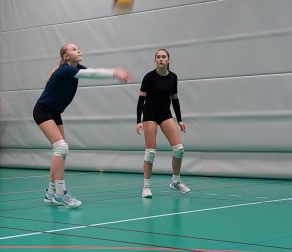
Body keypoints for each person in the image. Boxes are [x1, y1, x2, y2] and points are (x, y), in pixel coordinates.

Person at [34, 43, 130, 208]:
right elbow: (92, 73)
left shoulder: (75, 68)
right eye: (73, 49)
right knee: (61, 148)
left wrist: (113, 72)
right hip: (43, 111)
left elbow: (92, 70)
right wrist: (114, 72)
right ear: (66, 56)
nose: (78, 50)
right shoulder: (65, 69)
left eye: (78, 48)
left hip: (54, 112)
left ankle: (50, 192)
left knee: (60, 151)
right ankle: (60, 194)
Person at [136, 49, 189, 198]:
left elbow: (175, 99)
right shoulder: (149, 77)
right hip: (150, 114)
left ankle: (176, 182)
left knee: (179, 149)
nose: (161, 59)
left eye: (163, 57)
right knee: (150, 152)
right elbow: (141, 100)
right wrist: (138, 120)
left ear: (168, 60)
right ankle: (146, 186)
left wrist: (179, 119)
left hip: (165, 114)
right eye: (158, 57)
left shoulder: (173, 77)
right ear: (155, 60)